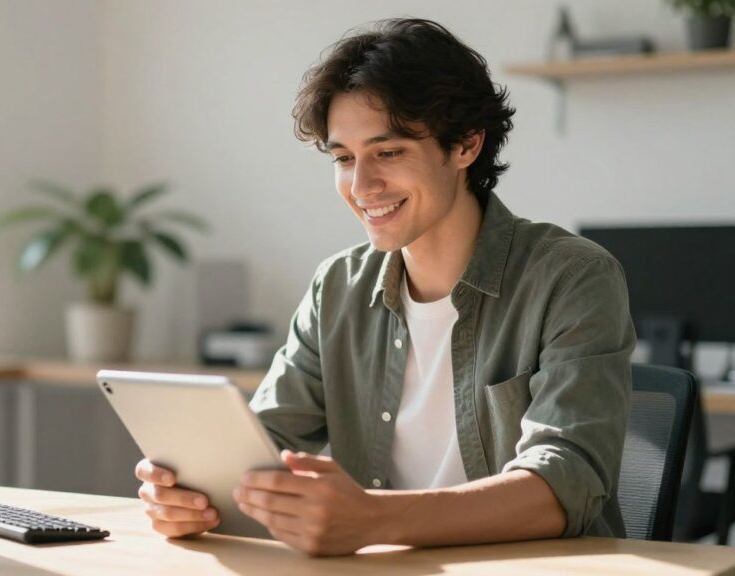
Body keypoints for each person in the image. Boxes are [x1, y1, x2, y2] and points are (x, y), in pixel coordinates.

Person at [135, 18, 635, 556]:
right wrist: (190, 492)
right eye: (344, 159)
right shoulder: (338, 287)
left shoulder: (572, 276)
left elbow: (566, 483)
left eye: (388, 152)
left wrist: (375, 520)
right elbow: (263, 446)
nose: (361, 186)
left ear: (466, 144)